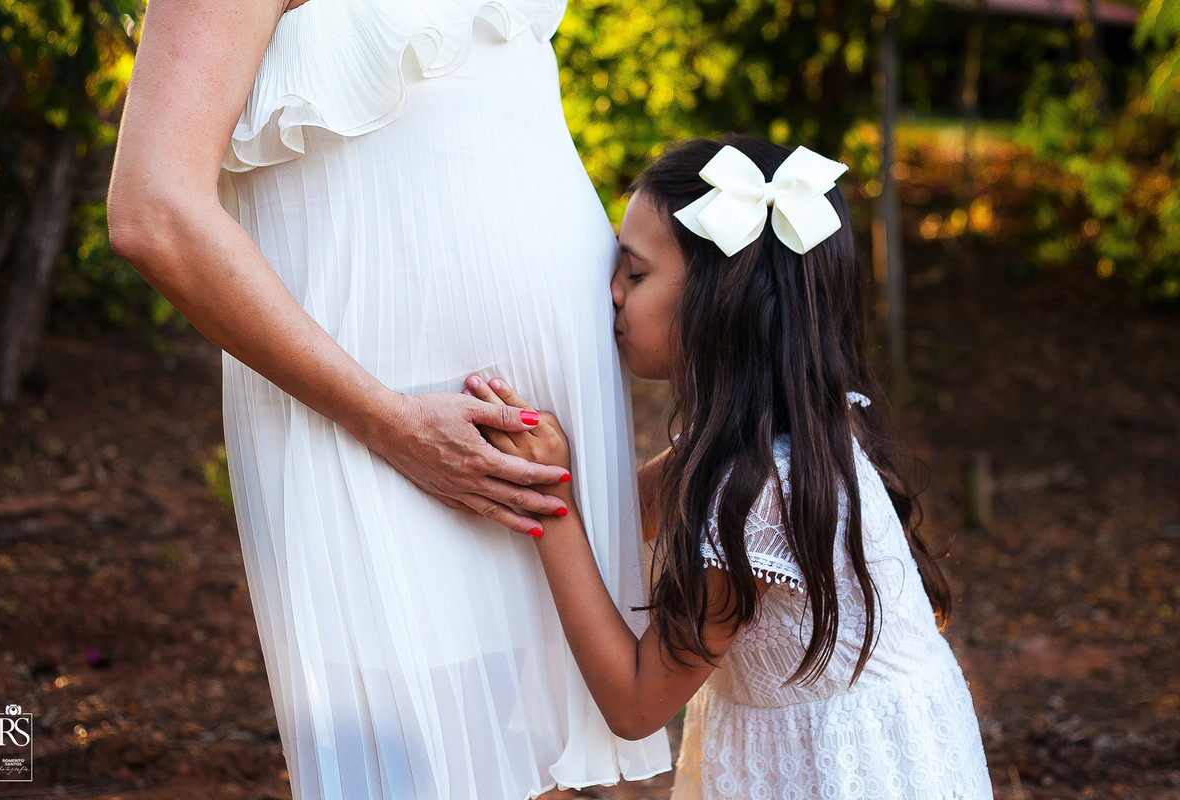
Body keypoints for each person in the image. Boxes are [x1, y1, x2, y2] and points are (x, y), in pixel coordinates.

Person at [105, 0, 672, 797]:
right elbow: (152, 211)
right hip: (376, 424)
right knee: (419, 769)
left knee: (536, 768)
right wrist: (389, 422)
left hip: (525, 423)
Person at [464, 134, 995, 799]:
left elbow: (635, 706)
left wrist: (552, 504)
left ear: (722, 299)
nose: (611, 294)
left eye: (635, 273)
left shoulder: (761, 492)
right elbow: (635, 513)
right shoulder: (779, 432)